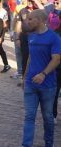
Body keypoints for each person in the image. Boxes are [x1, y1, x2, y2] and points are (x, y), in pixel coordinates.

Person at [21, 9, 61, 147]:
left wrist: (43, 74)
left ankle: (48, 143)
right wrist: (24, 77)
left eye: (31, 19)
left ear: (39, 20)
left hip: (48, 85)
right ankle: (26, 145)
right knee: (29, 116)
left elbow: (56, 59)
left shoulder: (54, 38)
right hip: (31, 84)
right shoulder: (30, 36)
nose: (28, 21)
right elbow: (30, 58)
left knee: (48, 118)